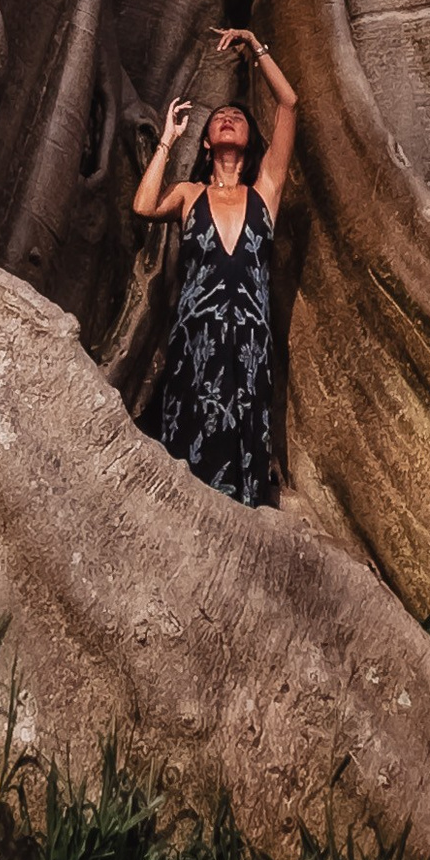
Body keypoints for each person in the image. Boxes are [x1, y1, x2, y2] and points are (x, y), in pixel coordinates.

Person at [131, 27, 299, 505]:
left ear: (248, 140)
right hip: (194, 341)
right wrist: (167, 139)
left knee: (243, 446)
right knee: (189, 442)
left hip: (249, 346)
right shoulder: (190, 195)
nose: (227, 118)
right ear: (206, 142)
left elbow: (289, 104)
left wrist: (255, 44)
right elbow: (143, 205)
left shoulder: (265, 191)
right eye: (219, 117)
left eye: (237, 116)